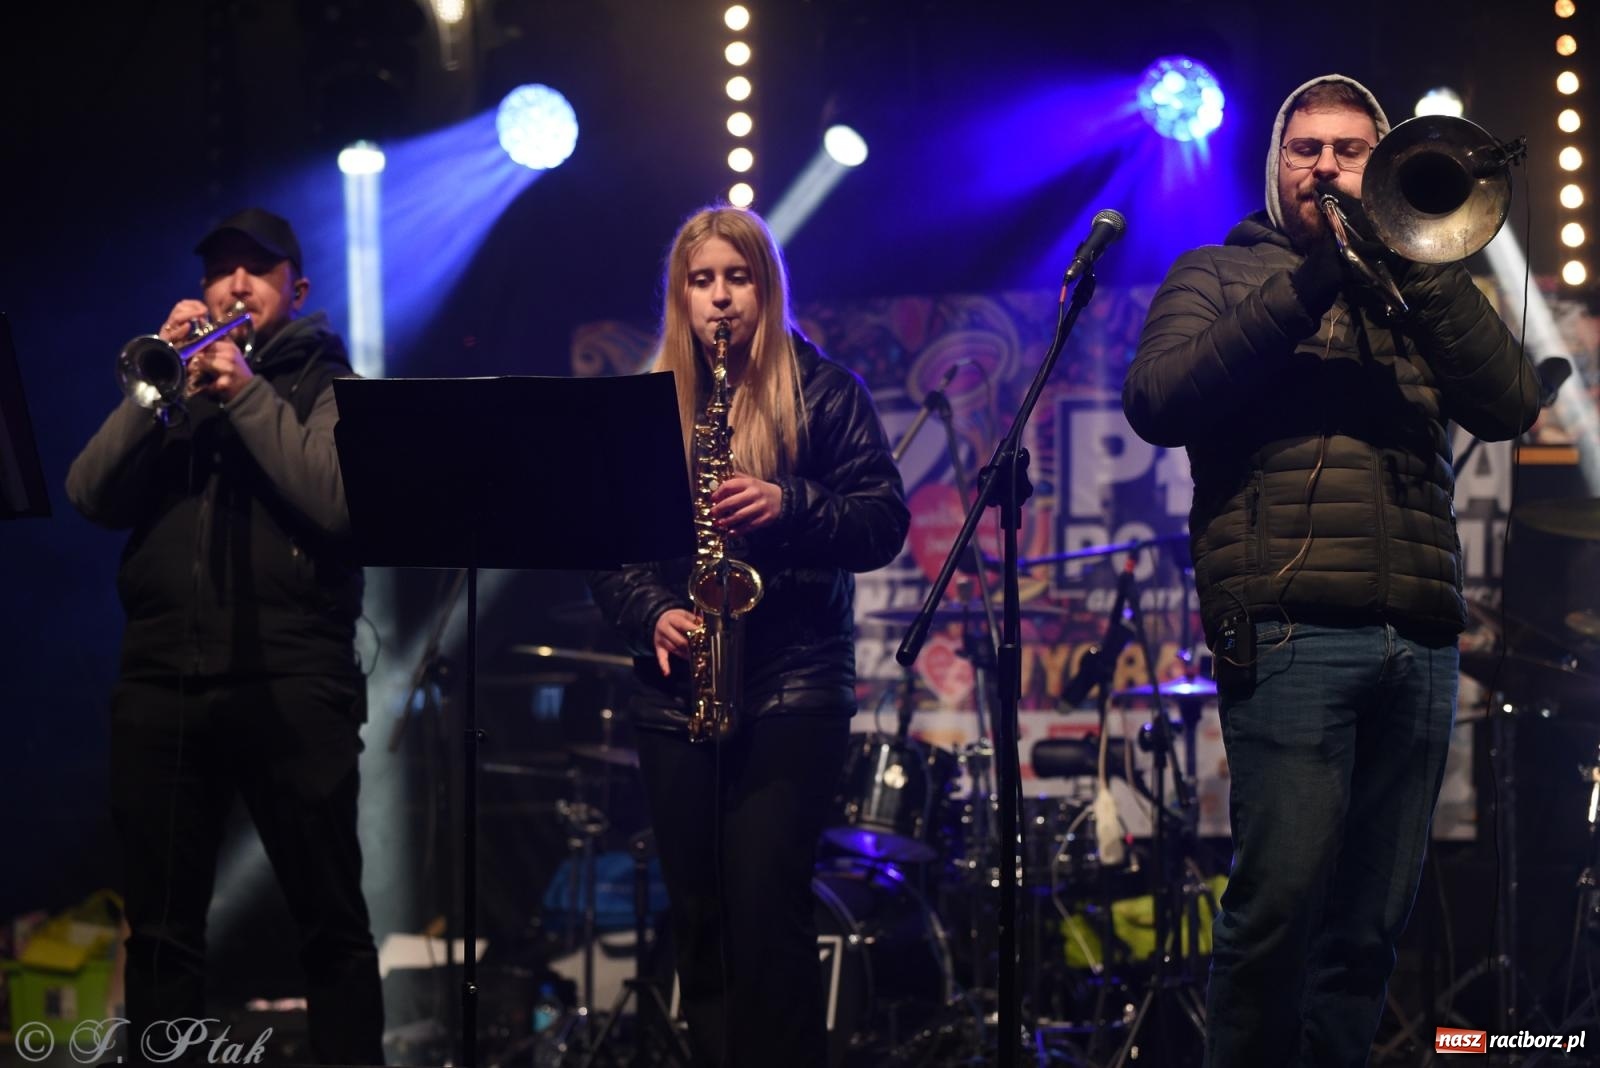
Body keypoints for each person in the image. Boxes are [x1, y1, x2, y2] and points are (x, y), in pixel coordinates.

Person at [1124, 75, 1539, 1066]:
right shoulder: (1216, 276)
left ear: (1384, 163)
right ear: (1276, 167)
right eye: (1304, 149)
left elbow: (1512, 402)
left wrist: (1422, 266)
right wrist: (1314, 281)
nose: (1325, 167)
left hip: (1419, 639)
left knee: (1366, 932)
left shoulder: (1427, 288)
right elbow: (1159, 400)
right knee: (1278, 910)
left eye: (1350, 150)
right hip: (1291, 629)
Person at [588, 205, 909, 1067]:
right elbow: (608, 548)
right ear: (680, 296)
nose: (721, 299)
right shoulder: (651, 404)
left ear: (765, 288)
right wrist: (652, 611)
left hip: (793, 685)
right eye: (703, 282)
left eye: (738, 279)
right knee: (698, 919)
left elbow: (883, 522)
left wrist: (787, 502)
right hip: (677, 691)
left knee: (768, 917)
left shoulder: (825, 390)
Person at [67, 208, 384, 1064]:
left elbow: (333, 500)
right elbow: (89, 492)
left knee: (330, 926)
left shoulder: (328, 382)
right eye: (221, 271)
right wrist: (152, 393)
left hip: (292, 680)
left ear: (298, 288)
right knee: (161, 935)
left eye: (259, 269)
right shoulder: (174, 389)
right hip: (163, 679)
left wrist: (243, 389)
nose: (235, 286)